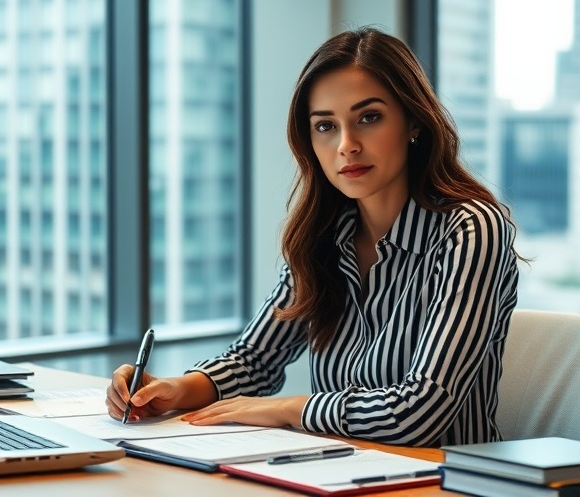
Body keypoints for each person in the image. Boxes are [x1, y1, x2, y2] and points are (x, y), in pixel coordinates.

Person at [106, 27, 520, 447]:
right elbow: (255, 360)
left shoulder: (471, 229)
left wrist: (289, 409)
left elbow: (421, 412)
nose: (347, 145)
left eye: (369, 118)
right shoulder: (325, 234)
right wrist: (175, 389)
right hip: (339, 472)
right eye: (325, 126)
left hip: (443, 481)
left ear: (413, 121)